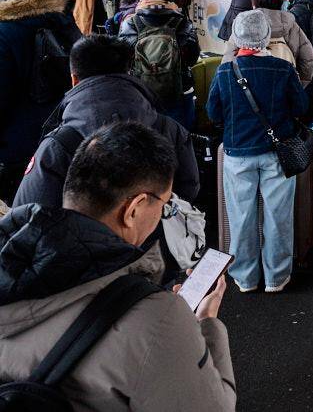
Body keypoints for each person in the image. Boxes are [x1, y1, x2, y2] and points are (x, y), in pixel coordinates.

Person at [0, 122, 237, 411]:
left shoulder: (11, 259)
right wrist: (206, 322)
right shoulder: (155, 320)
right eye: (164, 205)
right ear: (134, 209)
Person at [14, 34, 199, 211]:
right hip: (154, 239)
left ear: (74, 79)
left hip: (78, 242)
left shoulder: (58, 145)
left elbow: (29, 215)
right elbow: (189, 189)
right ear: (128, 72)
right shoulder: (171, 130)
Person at [207, 9, 309, 293]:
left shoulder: (226, 71)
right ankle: (276, 277)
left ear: (237, 38)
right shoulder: (283, 69)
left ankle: (245, 277)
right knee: (278, 217)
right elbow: (301, 107)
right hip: (278, 155)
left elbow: (212, 111)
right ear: (266, 36)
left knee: (241, 217)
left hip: (238, 153)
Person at [0, 0, 80, 204]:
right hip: (64, 131)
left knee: (23, 213)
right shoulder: (62, 20)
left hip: (17, 143)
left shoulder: (5, 33)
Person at [119, 0, 201, 130]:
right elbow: (192, 58)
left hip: (141, 93)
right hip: (178, 91)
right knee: (179, 140)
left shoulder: (131, 23)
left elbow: (122, 58)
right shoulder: (183, 23)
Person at [222, 0, 313, 87]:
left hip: (248, 86)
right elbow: (308, 58)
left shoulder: (244, 24)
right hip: (283, 86)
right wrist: (298, 86)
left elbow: (228, 58)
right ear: (280, 3)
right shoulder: (291, 25)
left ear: (254, 4)